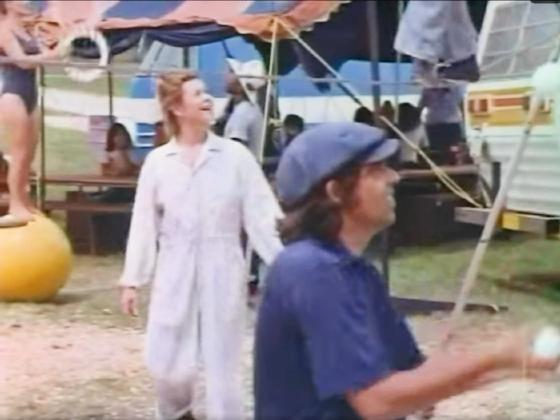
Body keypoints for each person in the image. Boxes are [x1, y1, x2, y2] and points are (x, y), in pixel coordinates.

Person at [254, 122, 559, 420]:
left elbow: (413, 378)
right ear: (335, 191)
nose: (394, 177)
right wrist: (493, 355)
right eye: (376, 170)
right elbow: (376, 402)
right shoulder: (313, 271)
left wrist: (513, 365)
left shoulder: (355, 272)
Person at [118, 69, 283, 420]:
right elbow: (144, 223)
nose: (208, 99)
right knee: (167, 363)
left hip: (223, 263)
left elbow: (262, 216)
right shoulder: (158, 163)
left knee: (224, 363)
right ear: (177, 107)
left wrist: (285, 264)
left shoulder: (235, 157)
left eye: (207, 92)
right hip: (174, 265)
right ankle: (178, 413)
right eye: (197, 94)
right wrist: (133, 279)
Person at [0, 0, 61, 227]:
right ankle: (15, 205)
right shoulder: (4, 29)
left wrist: (55, 47)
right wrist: (52, 56)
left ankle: (25, 202)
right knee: (18, 153)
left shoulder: (27, 30)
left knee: (28, 154)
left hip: (30, 94)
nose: (27, 2)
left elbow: (42, 55)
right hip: (12, 95)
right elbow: (23, 62)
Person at [220, 58, 266, 159]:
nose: (225, 75)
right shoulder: (248, 109)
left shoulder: (242, 114)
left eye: (232, 72)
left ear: (241, 84)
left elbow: (234, 156)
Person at [396, 102, 429, 167]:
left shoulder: (392, 128)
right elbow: (425, 147)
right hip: (412, 164)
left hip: (396, 165)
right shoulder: (419, 127)